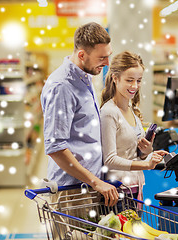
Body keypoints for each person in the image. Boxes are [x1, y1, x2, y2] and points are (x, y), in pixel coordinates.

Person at [40, 22, 119, 207]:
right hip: (71, 192)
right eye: (102, 58)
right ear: (82, 55)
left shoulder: (84, 77)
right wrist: (96, 181)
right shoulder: (62, 87)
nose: (107, 63)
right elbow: (56, 148)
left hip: (88, 186)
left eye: (108, 56)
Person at [100, 51, 168, 201]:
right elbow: (110, 160)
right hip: (118, 191)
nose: (135, 86)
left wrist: (147, 151)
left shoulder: (131, 108)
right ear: (115, 79)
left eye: (138, 80)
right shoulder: (109, 112)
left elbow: (131, 154)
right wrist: (146, 164)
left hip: (135, 189)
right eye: (129, 80)